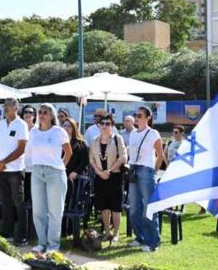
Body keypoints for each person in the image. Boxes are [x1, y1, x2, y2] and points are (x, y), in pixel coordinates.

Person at [26, 104, 72, 253]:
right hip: (37, 171)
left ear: (52, 115)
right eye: (40, 112)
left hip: (55, 173)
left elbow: (68, 152)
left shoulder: (59, 132)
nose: (42, 114)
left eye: (45, 112)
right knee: (38, 210)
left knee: (55, 211)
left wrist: (60, 166)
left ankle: (53, 245)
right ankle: (42, 242)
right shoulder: (33, 132)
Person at [0, 97, 29, 246]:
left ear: (17, 108)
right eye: (6, 105)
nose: (7, 107)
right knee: (5, 202)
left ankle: (22, 235)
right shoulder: (0, 123)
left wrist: (4, 162)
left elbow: (21, 149)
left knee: (18, 203)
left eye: (11, 104)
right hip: (1, 170)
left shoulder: (22, 125)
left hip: (15, 170)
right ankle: (7, 233)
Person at [127, 106, 163, 252]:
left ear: (148, 117)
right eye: (136, 115)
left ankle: (152, 242)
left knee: (148, 208)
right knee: (134, 208)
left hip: (146, 170)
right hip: (133, 169)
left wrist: (153, 171)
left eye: (140, 115)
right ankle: (140, 236)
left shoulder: (153, 133)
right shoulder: (133, 133)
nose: (137, 118)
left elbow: (160, 155)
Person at [89, 113, 127, 242]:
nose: (105, 126)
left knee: (115, 207)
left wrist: (109, 170)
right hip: (100, 178)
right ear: (99, 125)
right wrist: (100, 172)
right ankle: (106, 232)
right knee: (104, 207)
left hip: (115, 176)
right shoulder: (94, 141)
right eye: (102, 123)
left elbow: (123, 157)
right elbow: (92, 159)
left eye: (108, 124)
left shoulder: (118, 139)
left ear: (112, 126)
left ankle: (116, 233)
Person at [61, 117, 88, 200]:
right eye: (64, 125)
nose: (67, 128)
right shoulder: (57, 141)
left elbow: (84, 161)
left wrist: (76, 172)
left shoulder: (80, 143)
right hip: (60, 174)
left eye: (69, 126)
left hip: (75, 176)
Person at [20, 105, 36, 203]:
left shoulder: (39, 129)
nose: (28, 114)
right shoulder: (19, 128)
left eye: (31, 112)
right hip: (21, 168)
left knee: (33, 197)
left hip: (35, 169)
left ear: (34, 116)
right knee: (22, 196)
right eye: (26, 112)